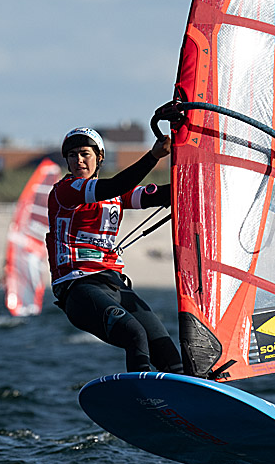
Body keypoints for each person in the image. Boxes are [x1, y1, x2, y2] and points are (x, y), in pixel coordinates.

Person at [46, 127, 183, 374]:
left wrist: (195, 176)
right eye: (72, 155)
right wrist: (153, 156)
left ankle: (191, 397)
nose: (79, 160)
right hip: (78, 289)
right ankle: (139, 399)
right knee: (134, 334)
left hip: (115, 285)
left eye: (85, 154)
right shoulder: (65, 191)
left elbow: (158, 195)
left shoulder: (116, 195)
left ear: (99, 157)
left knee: (166, 350)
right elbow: (115, 185)